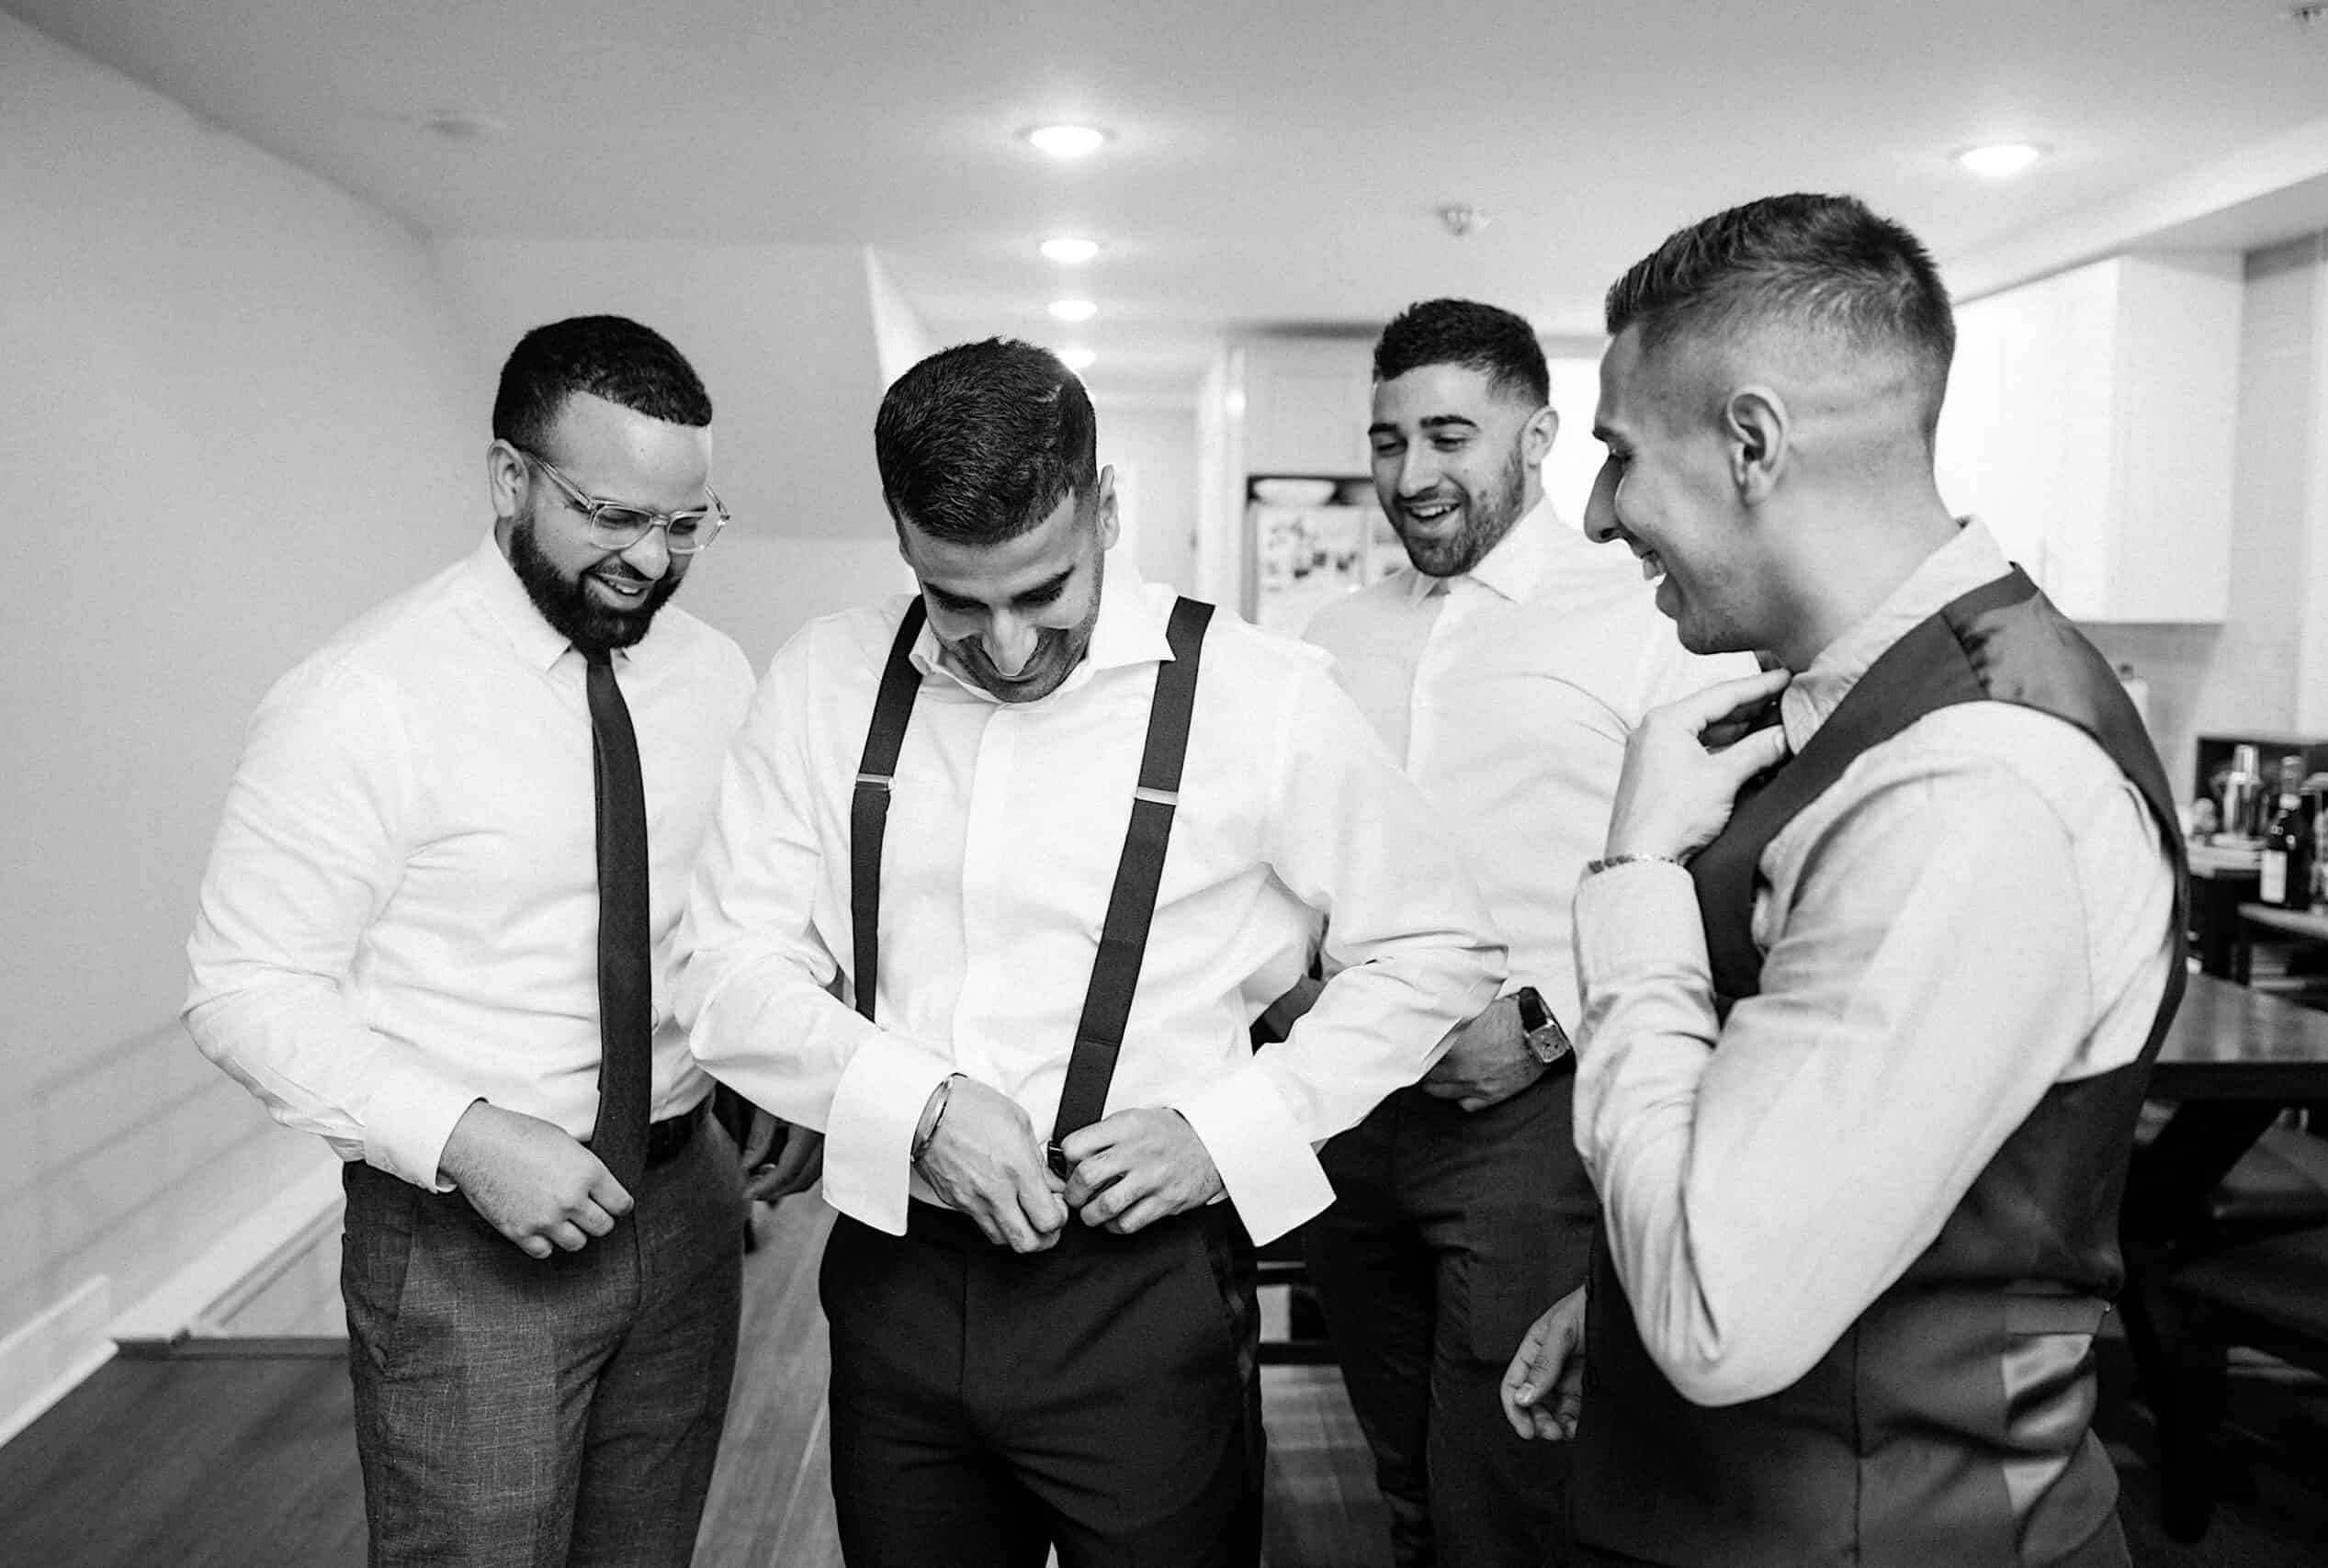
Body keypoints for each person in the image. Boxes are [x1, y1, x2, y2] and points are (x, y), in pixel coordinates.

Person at [673, 336, 1506, 1568]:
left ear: (1107, 511)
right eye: (958, 602)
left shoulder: (1261, 692)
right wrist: (917, 1107)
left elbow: (1437, 948)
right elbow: (725, 966)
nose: (1006, 647)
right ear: (903, 539)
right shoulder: (821, 681)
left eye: (1042, 591)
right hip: (897, 1281)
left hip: (1145, 1295)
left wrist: (1230, 1131)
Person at [1501, 194, 2186, 1567]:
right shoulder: (1854, 713)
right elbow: (1831, 1152)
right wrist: (1615, 1295)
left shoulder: (1977, 783)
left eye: (1620, 455)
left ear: (1752, 444)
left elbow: (1723, 1306)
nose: (1593, 515)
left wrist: (1631, 884)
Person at [183, 315, 795, 1567]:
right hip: (469, 1242)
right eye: (611, 515)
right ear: (510, 478)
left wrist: (764, 1063)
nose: (650, 560)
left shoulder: (716, 675)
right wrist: (466, 1135)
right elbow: (244, 987)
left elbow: (735, 910)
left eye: (686, 526)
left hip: (686, 1207)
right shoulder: (363, 700)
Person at [1283, 299, 1744, 1568]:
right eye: (1388, 441)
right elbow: (1282, 870)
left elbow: (1697, 871)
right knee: (1400, 1466)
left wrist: (1538, 1028)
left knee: (1511, 1486)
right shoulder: (1328, 642)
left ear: (1537, 437)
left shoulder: (1647, 616)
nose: (1412, 474)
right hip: (1353, 1117)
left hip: (1529, 1122)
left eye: (1448, 435)